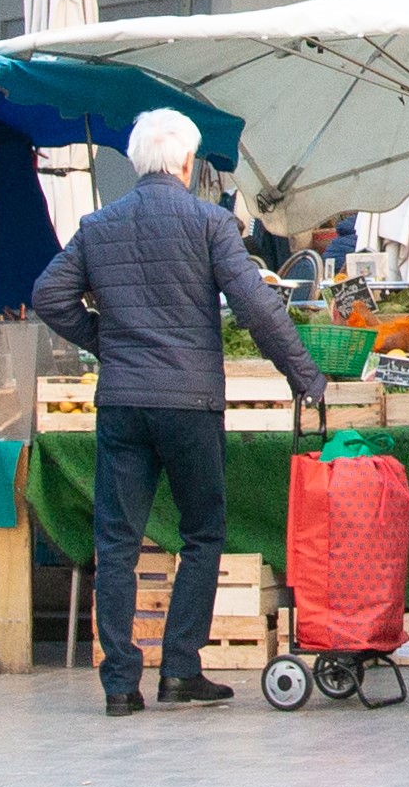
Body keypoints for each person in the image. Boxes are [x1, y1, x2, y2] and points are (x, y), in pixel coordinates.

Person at [28, 106, 324, 717]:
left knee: (116, 541)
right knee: (202, 532)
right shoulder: (209, 223)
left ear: (138, 162)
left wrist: (104, 340)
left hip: (123, 402)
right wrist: (305, 376)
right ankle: (181, 670)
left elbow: (48, 295)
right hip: (190, 403)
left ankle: (119, 684)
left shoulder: (97, 225)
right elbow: (257, 310)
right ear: (187, 163)